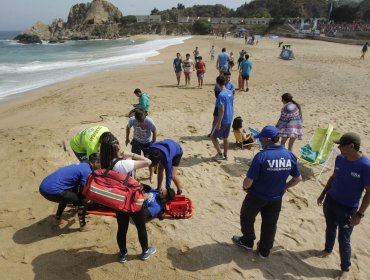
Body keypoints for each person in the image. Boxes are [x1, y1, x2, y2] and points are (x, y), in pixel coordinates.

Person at [232, 125, 302, 258]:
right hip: (276, 198)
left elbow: (248, 181)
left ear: (268, 139)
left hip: (256, 196)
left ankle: (247, 241)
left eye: (261, 139)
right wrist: (284, 187)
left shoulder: (261, 156)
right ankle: (264, 251)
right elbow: (298, 178)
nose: (260, 142)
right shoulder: (290, 155)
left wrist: (245, 188)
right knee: (270, 225)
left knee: (246, 217)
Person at [317, 133, 370, 278]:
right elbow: (333, 177)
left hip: (348, 208)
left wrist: (359, 214)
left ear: (351, 147)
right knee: (330, 228)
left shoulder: (365, 166)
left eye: (341, 145)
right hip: (331, 201)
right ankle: (327, 250)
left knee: (344, 239)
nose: (338, 147)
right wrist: (323, 194)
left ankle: (345, 268)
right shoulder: (340, 158)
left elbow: (369, 192)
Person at [99, 132, 155, 263]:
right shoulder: (124, 164)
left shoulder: (104, 164)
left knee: (122, 228)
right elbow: (148, 161)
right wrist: (131, 155)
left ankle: (123, 254)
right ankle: (145, 251)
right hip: (133, 200)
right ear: (116, 148)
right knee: (140, 227)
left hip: (118, 200)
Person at [39, 153, 101, 231]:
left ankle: (57, 219)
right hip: (51, 190)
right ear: (96, 163)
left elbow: (75, 186)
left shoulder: (83, 164)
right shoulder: (87, 171)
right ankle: (83, 226)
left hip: (43, 186)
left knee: (67, 194)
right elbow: (82, 195)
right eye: (101, 164)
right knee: (82, 201)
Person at [125, 109, 157, 182]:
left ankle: (151, 175)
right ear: (136, 118)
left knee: (149, 159)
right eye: (140, 121)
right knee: (134, 159)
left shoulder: (148, 121)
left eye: (142, 120)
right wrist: (127, 138)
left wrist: (154, 142)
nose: (142, 122)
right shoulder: (132, 120)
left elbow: (154, 130)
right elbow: (128, 127)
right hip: (136, 142)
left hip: (147, 143)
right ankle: (133, 175)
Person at [210, 75, 234, 160]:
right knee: (225, 137)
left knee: (213, 137)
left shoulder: (221, 95)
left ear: (217, 83)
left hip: (223, 119)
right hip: (230, 117)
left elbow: (222, 110)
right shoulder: (230, 92)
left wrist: (219, 122)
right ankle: (225, 155)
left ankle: (220, 154)